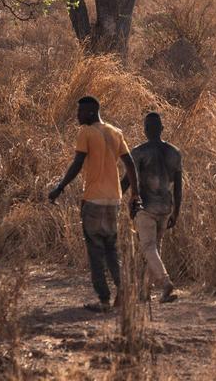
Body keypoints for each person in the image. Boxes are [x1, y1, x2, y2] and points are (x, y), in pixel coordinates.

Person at [48, 96, 142, 313]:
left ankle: (103, 300)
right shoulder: (115, 132)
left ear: (90, 112)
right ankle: (124, 290)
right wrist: (134, 194)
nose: (77, 115)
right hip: (114, 201)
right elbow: (130, 164)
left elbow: (77, 163)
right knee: (111, 249)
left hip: (93, 200)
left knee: (95, 251)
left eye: (80, 111)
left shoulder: (86, 132)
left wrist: (59, 188)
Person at [123, 112, 182, 303]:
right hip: (165, 207)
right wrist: (176, 212)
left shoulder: (138, 152)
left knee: (148, 247)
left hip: (145, 207)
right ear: (162, 129)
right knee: (155, 248)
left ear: (145, 130)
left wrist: (112, 197)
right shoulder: (174, 152)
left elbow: (126, 181)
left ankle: (166, 283)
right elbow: (178, 188)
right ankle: (145, 292)